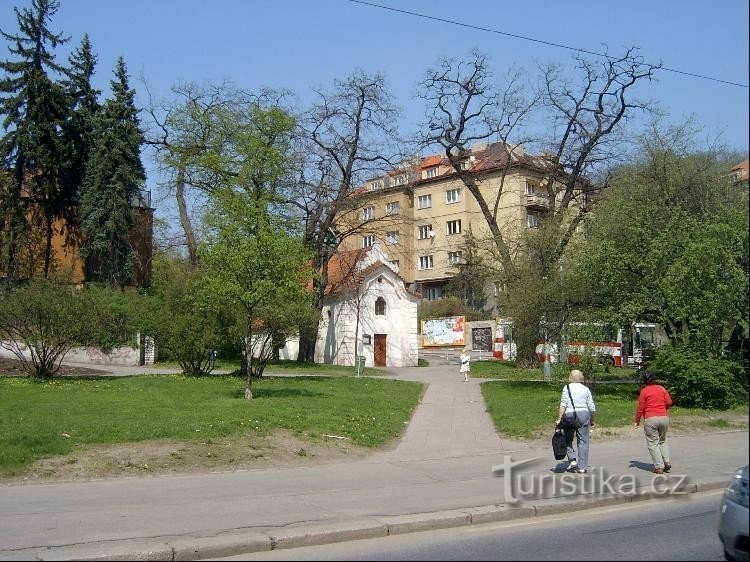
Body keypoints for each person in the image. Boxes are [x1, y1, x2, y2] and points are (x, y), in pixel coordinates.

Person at [555, 369, 596, 474]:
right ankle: (582, 467)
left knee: (567, 439)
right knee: (583, 441)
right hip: (583, 415)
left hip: (569, 416)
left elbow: (563, 404)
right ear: (581, 377)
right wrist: (592, 419)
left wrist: (559, 418)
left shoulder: (567, 388)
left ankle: (572, 460)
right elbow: (591, 406)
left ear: (570, 377)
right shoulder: (586, 389)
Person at [634, 371, 673, 474]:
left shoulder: (644, 391)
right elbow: (669, 402)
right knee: (662, 441)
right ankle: (667, 462)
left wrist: (637, 421)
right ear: (655, 379)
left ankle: (659, 467)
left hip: (651, 419)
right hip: (664, 418)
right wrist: (663, 409)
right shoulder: (662, 389)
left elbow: (641, 408)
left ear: (645, 381)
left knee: (653, 443)